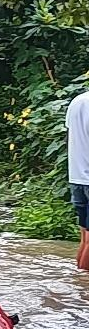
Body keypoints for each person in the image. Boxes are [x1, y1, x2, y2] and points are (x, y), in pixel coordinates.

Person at [65, 88, 89, 270]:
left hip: (77, 177)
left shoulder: (77, 101)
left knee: (85, 238)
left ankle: (78, 282)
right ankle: (83, 291)